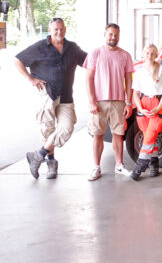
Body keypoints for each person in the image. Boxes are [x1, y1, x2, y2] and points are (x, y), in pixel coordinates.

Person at [17, 18, 87, 180]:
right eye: (55, 29)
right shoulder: (39, 47)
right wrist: (30, 79)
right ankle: (51, 164)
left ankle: (38, 155)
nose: (59, 32)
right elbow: (17, 60)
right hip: (46, 94)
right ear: (50, 30)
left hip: (66, 96)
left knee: (67, 127)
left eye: (61, 29)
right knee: (47, 129)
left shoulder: (72, 48)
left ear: (65, 29)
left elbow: (89, 61)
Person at [84, 23, 134, 181]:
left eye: (116, 34)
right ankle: (96, 167)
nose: (113, 37)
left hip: (119, 101)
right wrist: (92, 101)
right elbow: (88, 78)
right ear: (105, 34)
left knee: (118, 135)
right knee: (97, 134)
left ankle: (119, 165)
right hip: (99, 102)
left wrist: (128, 102)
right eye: (111, 34)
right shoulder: (95, 53)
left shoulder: (125, 55)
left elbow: (128, 80)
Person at [130, 44, 162, 180]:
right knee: (148, 136)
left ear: (156, 55)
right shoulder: (139, 72)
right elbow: (135, 93)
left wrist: (158, 107)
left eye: (152, 53)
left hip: (157, 105)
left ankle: (139, 167)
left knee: (149, 137)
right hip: (143, 105)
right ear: (143, 54)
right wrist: (140, 108)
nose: (149, 55)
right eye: (147, 52)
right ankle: (154, 165)